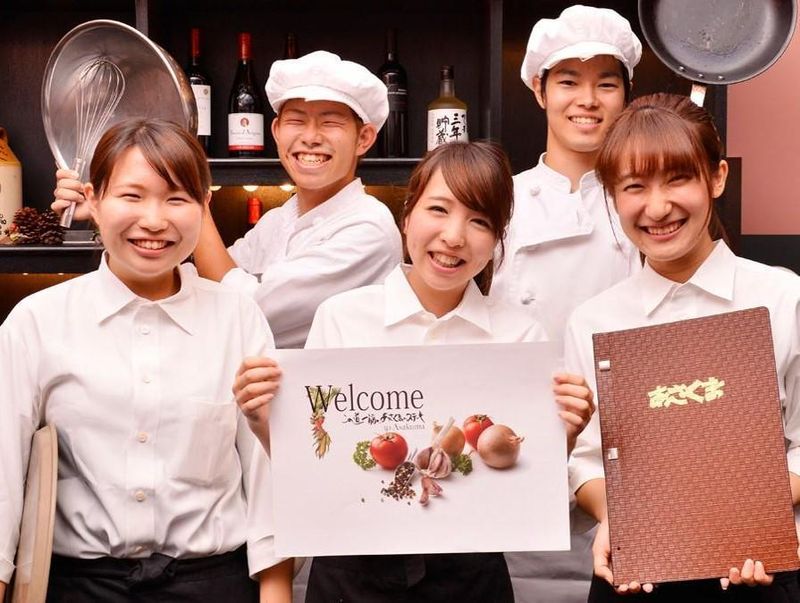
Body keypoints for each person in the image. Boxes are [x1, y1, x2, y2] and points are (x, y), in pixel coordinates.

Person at [234, 141, 596, 601]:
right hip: (352, 572)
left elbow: (524, 486)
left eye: (479, 221)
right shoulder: (342, 317)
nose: (454, 236)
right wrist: (263, 423)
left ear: (497, 240)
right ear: (407, 217)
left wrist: (564, 435)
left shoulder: (520, 336)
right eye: (438, 210)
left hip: (469, 576)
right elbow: (314, 468)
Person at [1, 119, 289, 602]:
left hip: (214, 584)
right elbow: (3, 476)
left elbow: (266, 484)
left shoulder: (238, 317)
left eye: (177, 199)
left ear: (204, 205)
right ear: (93, 200)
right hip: (79, 587)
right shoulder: (38, 321)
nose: (154, 220)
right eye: (132, 196)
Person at [566, 92, 800, 602]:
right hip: (634, 577)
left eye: (677, 179)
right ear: (612, 196)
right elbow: (586, 461)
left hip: (758, 570)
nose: (657, 207)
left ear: (716, 177)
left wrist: (746, 518)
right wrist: (618, 520)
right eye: (634, 186)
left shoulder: (784, 298)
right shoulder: (593, 320)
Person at [53, 51, 403, 350]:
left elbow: (244, 308)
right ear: (277, 131)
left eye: (330, 123)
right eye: (297, 121)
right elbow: (200, 282)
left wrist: (191, 197)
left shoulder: (368, 227)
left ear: (364, 138)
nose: (310, 137)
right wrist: (109, 213)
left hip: (328, 400)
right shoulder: (280, 219)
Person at [489, 5, 643, 601]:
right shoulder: (500, 204)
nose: (588, 100)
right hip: (520, 451)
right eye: (569, 81)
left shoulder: (648, 207)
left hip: (629, 457)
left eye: (606, 83)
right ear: (539, 91)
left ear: (626, 95)